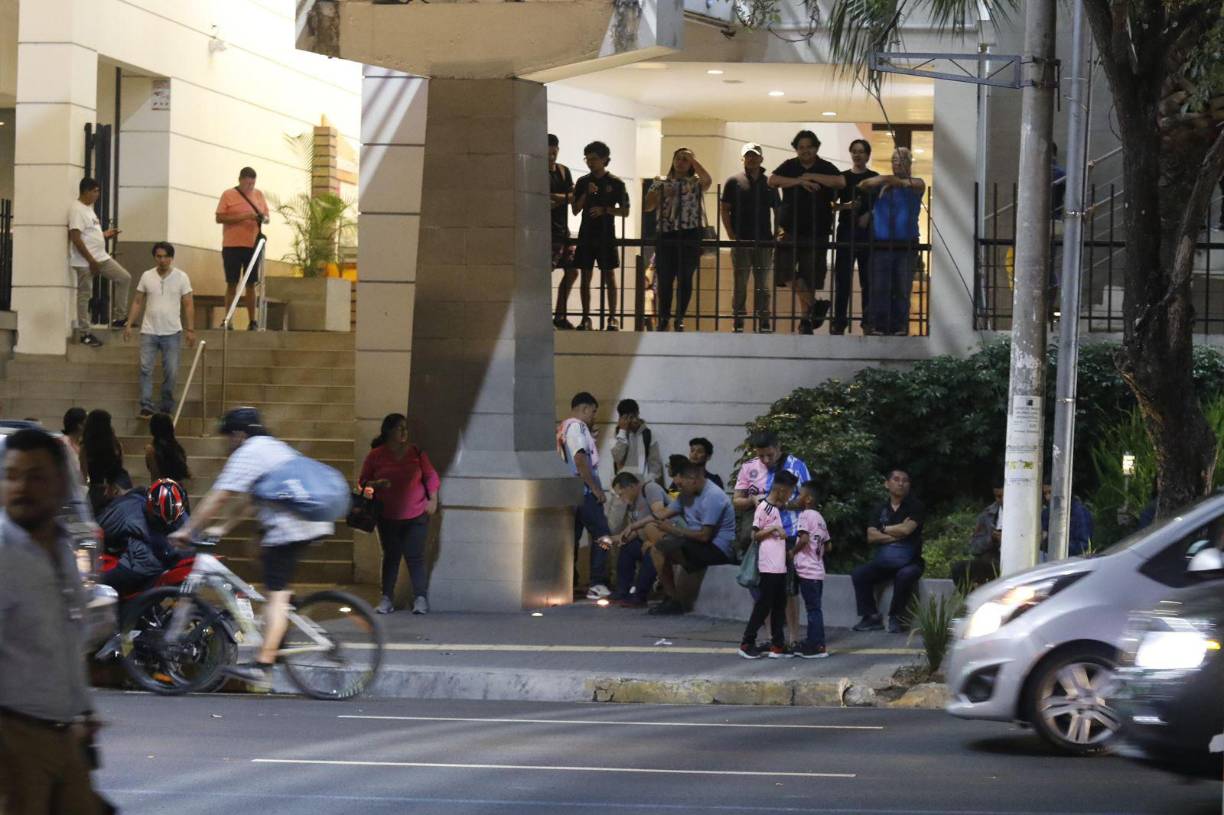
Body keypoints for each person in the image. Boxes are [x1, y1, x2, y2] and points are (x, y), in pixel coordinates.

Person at [171, 407, 334, 689]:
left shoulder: (249, 452)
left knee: (274, 592)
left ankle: (263, 665)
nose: (226, 444)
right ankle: (281, 619)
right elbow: (252, 499)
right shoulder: (271, 447)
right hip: (300, 521)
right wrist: (224, 528)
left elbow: (218, 497)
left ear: (238, 434)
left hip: (293, 526)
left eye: (227, 438)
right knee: (256, 548)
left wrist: (188, 529)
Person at [0, 428, 107, 815]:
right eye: (11, 476)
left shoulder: (61, 549)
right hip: (14, 742)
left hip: (64, 735)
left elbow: (66, 640)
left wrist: (83, 711)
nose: (20, 487)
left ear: (61, 484)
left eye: (35, 476)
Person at [360, 413, 441, 615]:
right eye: (399, 428)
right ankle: (386, 598)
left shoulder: (416, 452)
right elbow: (363, 482)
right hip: (387, 516)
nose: (404, 432)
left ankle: (420, 598)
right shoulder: (376, 455)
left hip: (416, 514)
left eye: (406, 428)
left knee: (415, 557)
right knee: (391, 557)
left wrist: (433, 500)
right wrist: (377, 484)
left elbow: (431, 477)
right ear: (388, 431)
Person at [769, 130, 845, 334]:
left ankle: (806, 321)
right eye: (801, 147)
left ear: (816, 147)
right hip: (790, 229)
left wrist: (812, 176)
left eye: (809, 146)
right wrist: (800, 181)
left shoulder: (824, 166)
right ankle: (816, 306)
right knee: (785, 272)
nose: (805, 151)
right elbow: (772, 180)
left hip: (817, 229)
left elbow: (840, 182)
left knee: (809, 275)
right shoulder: (790, 165)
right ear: (796, 149)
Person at [649, 460, 736, 615]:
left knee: (661, 549)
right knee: (656, 545)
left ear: (693, 480)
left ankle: (674, 599)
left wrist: (674, 531)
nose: (679, 489)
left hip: (717, 548)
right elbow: (661, 514)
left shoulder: (713, 496)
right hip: (695, 542)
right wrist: (632, 528)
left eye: (681, 485)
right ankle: (670, 597)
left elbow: (704, 536)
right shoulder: (687, 494)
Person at [123, 241, 196, 417]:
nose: (162, 260)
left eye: (165, 257)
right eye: (158, 256)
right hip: (149, 330)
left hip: (172, 332)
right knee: (145, 368)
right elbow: (138, 300)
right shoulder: (147, 276)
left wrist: (190, 329)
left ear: (171, 258)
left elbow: (188, 304)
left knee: (171, 370)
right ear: (155, 257)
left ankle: (166, 405)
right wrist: (129, 323)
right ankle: (146, 405)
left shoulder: (181, 277)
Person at [645, 147, 713, 332]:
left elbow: (708, 180)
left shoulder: (695, 182)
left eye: (685, 159)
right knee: (665, 279)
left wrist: (695, 160)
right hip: (666, 233)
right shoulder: (660, 181)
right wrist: (661, 194)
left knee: (685, 278)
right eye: (678, 158)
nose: (681, 162)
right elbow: (648, 206)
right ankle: (664, 318)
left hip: (690, 234)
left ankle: (679, 318)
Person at [860, 148, 925, 336]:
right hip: (881, 244)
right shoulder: (881, 183)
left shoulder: (916, 184)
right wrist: (887, 181)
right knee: (879, 286)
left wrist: (894, 183)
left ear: (910, 162)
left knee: (902, 287)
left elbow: (917, 184)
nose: (898, 162)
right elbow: (863, 184)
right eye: (895, 159)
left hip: (906, 245)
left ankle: (900, 325)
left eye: (902, 159)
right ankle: (879, 325)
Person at [851, 468, 926, 633]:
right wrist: (895, 533)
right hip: (884, 560)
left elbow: (907, 531)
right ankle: (870, 617)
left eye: (905, 480)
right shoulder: (879, 508)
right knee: (860, 573)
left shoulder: (915, 506)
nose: (901, 483)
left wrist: (883, 529)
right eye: (896, 479)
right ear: (887, 484)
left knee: (905, 575)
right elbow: (871, 536)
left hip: (910, 561)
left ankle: (896, 617)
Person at [739, 470, 801, 658]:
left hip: (779, 564)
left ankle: (778, 644)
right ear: (781, 490)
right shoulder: (764, 507)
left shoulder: (776, 509)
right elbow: (754, 534)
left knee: (779, 604)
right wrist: (774, 528)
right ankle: (747, 642)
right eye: (790, 492)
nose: (790, 496)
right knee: (764, 604)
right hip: (768, 565)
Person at [557, 392, 613, 599]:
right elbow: (580, 460)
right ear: (585, 408)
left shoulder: (564, 427)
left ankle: (567, 582)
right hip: (584, 493)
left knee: (571, 539)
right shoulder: (577, 427)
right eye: (594, 412)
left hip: (570, 493)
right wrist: (596, 489)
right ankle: (597, 583)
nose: (594, 417)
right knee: (603, 535)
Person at [721, 143, 779, 333]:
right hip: (741, 240)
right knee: (740, 282)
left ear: (761, 159)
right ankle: (738, 319)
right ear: (743, 159)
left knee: (763, 284)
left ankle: (763, 319)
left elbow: (777, 210)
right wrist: (731, 235)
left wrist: (776, 234)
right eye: (748, 156)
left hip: (764, 240)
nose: (751, 159)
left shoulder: (770, 183)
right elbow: (725, 209)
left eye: (754, 156)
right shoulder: (733, 181)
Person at [572, 142, 629, 331]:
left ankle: (612, 317)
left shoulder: (616, 183)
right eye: (587, 159)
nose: (590, 163)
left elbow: (625, 211)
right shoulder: (582, 182)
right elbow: (575, 209)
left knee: (609, 275)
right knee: (585, 275)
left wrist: (605, 210)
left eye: (594, 159)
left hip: (606, 234)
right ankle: (585, 317)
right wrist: (586, 195)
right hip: (586, 234)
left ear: (604, 159)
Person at [97, 478, 188, 597]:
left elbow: (100, 528)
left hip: (139, 571)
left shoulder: (129, 509)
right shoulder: (183, 518)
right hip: (168, 565)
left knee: (94, 584)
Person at [68, 177, 131, 347]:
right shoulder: (77, 209)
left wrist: (104, 235)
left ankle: (119, 317)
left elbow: (88, 235)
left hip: (101, 257)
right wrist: (91, 260)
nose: (97, 195)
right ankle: (85, 333)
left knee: (124, 278)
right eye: (95, 191)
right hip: (86, 261)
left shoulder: (89, 209)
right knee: (85, 294)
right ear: (86, 191)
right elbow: (75, 237)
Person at [831, 139, 879, 335]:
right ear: (850, 154)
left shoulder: (874, 177)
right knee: (842, 279)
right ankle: (839, 321)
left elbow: (880, 204)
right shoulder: (842, 178)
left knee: (867, 280)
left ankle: (868, 320)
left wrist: (869, 214)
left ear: (868, 155)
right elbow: (832, 204)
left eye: (861, 152)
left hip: (867, 233)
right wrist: (847, 206)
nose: (858, 155)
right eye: (854, 151)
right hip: (845, 231)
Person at [215, 167, 269, 330]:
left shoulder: (259, 195)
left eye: (252, 183)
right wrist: (245, 216)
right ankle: (228, 318)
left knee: (251, 283)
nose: (250, 187)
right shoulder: (228, 195)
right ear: (240, 180)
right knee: (232, 283)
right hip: (232, 245)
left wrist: (261, 217)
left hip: (252, 245)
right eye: (247, 183)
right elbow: (219, 217)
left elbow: (266, 218)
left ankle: (252, 320)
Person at [609, 471, 668, 607]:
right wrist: (616, 539)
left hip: (664, 537)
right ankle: (622, 591)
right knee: (627, 549)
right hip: (647, 538)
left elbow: (660, 515)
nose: (621, 499)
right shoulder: (633, 504)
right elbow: (635, 531)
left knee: (651, 552)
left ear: (631, 487)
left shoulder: (650, 489)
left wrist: (650, 540)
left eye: (621, 494)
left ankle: (640, 596)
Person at [793, 480, 831, 658]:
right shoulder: (820, 518)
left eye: (799, 494)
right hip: (817, 569)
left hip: (807, 570)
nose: (796, 497)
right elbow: (828, 546)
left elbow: (804, 539)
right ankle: (814, 641)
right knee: (815, 608)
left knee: (812, 609)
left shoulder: (805, 515)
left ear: (807, 499)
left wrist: (792, 553)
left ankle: (816, 646)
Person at [549, 134, 579, 330]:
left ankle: (560, 315)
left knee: (573, 270)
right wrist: (565, 197)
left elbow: (574, 195)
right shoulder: (536, 169)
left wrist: (557, 198)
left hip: (562, 230)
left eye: (554, 151)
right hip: (545, 231)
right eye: (548, 152)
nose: (551, 156)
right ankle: (545, 316)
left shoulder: (563, 171)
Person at [950, 484, 1003, 591]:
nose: (1001, 500)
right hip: (993, 562)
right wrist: (991, 539)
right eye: (998, 496)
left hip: (1017, 564)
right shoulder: (987, 515)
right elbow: (974, 547)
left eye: (1005, 496)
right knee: (959, 569)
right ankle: (971, 602)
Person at [80, 408, 132, 514]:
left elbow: (83, 476)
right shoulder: (116, 445)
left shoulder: (86, 448)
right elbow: (120, 466)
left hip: (97, 491)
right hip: (121, 488)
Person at [611, 398, 663, 485]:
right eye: (630, 417)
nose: (634, 420)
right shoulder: (617, 434)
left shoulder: (648, 434)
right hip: (623, 486)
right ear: (622, 418)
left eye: (635, 415)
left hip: (643, 486)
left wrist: (648, 483)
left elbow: (655, 464)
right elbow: (618, 458)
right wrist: (623, 432)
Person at [1040, 482, 1095, 557]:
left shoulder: (1079, 512)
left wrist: (1055, 543)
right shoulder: (1047, 512)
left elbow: (1084, 545)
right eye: (1045, 493)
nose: (1047, 497)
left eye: (1050, 492)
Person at [145, 412, 191, 489]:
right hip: (178, 490)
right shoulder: (177, 448)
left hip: (160, 491)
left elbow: (155, 474)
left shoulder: (151, 449)